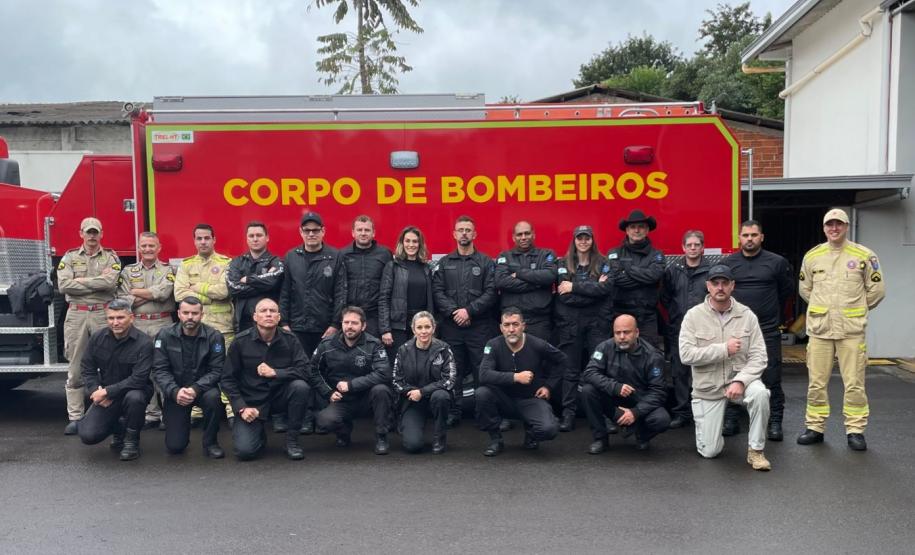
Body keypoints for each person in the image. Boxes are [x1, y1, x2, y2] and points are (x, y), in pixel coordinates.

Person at [796, 208, 885, 451]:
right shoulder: (813, 256)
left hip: (851, 331)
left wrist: (857, 308)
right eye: (829, 225)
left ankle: (855, 430)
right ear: (824, 228)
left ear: (846, 226)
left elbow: (876, 290)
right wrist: (821, 307)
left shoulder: (864, 255)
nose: (834, 228)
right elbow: (805, 289)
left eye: (839, 224)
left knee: (855, 382)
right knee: (816, 382)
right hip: (820, 329)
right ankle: (815, 427)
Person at [679, 265, 771, 471]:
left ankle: (756, 451)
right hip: (708, 388)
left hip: (739, 380)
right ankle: (712, 435)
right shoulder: (693, 316)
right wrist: (723, 349)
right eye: (715, 283)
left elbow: (759, 357)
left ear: (732, 286)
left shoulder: (747, 316)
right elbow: (686, 355)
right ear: (708, 286)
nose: (720, 287)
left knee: (760, 394)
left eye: (725, 283)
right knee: (709, 452)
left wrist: (741, 380)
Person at [723, 220, 794, 441]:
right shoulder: (730, 264)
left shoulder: (777, 262)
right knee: (734, 374)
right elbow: (723, 293)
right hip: (737, 330)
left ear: (761, 237)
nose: (750, 239)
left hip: (767, 330)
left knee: (772, 377)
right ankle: (732, 418)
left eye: (754, 235)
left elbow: (786, 292)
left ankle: (774, 423)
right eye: (745, 235)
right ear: (739, 238)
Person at [280, 211, 347, 432]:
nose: (311, 234)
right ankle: (305, 418)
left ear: (323, 232)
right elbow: (286, 292)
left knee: (325, 371)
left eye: (315, 230)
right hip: (298, 326)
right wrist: (285, 322)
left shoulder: (335, 257)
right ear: (300, 232)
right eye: (306, 230)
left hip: (325, 327)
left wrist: (335, 324)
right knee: (302, 371)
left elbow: (341, 293)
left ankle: (322, 417)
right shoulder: (291, 257)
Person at [220, 298, 311, 461]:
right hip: (252, 403)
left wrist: (276, 372)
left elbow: (305, 370)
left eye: (272, 311)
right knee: (245, 452)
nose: (268, 314)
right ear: (255, 317)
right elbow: (227, 379)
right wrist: (241, 407)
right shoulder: (240, 342)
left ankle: (292, 441)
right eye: (263, 311)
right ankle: (258, 432)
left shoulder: (290, 339)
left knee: (300, 387)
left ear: (278, 317)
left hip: (279, 397)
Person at [431, 215, 497, 427]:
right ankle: (454, 411)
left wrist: (469, 311)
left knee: (481, 370)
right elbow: (437, 292)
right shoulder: (444, 263)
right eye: (460, 230)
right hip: (452, 327)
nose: (464, 233)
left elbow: (491, 292)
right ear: (454, 234)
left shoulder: (486, 262)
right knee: (453, 371)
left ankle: (483, 412)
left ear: (475, 234)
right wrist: (455, 313)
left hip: (479, 326)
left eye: (468, 230)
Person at [58, 216, 121, 435]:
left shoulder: (111, 257)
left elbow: (110, 283)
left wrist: (81, 281)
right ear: (81, 233)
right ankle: (75, 417)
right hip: (77, 315)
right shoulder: (70, 256)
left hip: (103, 314)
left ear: (101, 234)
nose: (92, 236)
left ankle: (109, 413)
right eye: (88, 232)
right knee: (76, 366)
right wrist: (94, 282)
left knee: (110, 363)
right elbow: (64, 285)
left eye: (95, 232)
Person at [474, 307, 566, 456]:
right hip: (503, 400)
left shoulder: (537, 344)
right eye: (507, 325)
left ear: (523, 326)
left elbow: (562, 361)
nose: (511, 329)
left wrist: (549, 386)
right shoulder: (493, 345)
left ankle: (531, 431)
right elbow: (483, 375)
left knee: (549, 430)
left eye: (515, 324)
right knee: (482, 393)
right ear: (501, 328)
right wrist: (515, 377)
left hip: (530, 399)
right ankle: (496, 440)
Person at [308, 306, 394, 455]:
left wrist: (352, 385)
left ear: (363, 325)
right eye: (346, 322)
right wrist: (328, 393)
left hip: (366, 397)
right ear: (341, 324)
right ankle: (343, 433)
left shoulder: (374, 344)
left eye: (354, 323)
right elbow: (313, 371)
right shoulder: (327, 345)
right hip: (341, 400)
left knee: (381, 390)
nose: (349, 326)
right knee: (324, 421)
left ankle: (381, 436)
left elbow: (383, 373)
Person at [77, 298, 153, 461]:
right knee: (88, 436)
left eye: (120, 318)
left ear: (131, 318)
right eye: (111, 318)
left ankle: (131, 442)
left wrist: (107, 392)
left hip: (133, 391)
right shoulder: (98, 337)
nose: (115, 322)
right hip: (106, 393)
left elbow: (138, 379)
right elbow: (87, 367)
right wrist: (95, 390)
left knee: (135, 398)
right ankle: (119, 431)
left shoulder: (144, 343)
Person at [174, 223, 235, 424]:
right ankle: (196, 410)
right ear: (194, 241)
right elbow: (179, 294)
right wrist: (209, 293)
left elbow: (224, 292)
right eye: (199, 238)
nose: (203, 242)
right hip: (195, 327)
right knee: (195, 366)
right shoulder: (187, 264)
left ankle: (229, 408)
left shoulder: (227, 263)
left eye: (207, 238)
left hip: (222, 325)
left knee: (226, 368)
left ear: (214, 239)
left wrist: (197, 287)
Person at [554, 225, 613, 432]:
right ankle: (568, 415)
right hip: (571, 324)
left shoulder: (604, 263)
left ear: (592, 240)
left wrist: (575, 287)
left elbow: (606, 289)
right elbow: (564, 296)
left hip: (597, 325)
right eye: (579, 238)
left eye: (587, 237)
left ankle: (603, 414)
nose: (583, 241)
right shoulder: (562, 264)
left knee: (599, 370)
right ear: (574, 240)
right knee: (570, 371)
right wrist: (593, 289)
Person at [580, 315, 669, 453]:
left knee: (661, 419)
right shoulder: (604, 348)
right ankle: (600, 439)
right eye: (617, 333)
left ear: (637, 332)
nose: (621, 337)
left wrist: (636, 412)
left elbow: (658, 392)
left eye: (626, 332)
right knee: (587, 391)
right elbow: (589, 373)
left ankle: (642, 435)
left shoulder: (652, 356)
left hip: (639, 401)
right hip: (613, 399)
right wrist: (614, 386)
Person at [151, 296, 226, 458]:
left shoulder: (214, 336)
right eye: (186, 313)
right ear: (178, 314)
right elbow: (159, 370)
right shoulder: (164, 335)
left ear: (202, 314)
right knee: (175, 447)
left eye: (194, 313)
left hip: (202, 389)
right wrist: (174, 391)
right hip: (176, 392)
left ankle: (211, 443)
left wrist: (195, 389)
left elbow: (217, 370)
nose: (190, 317)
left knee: (214, 397)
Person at [117, 231, 176, 429]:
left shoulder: (168, 270)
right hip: (138, 324)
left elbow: (164, 293)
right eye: (144, 246)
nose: (148, 249)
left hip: (163, 323)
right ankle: (151, 413)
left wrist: (134, 293)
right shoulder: (128, 271)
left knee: (165, 368)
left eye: (152, 246)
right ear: (139, 248)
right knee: (142, 370)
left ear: (159, 248)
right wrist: (150, 294)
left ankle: (168, 414)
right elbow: (122, 299)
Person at [660, 230, 711, 429]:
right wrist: (674, 314)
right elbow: (664, 297)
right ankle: (682, 413)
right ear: (683, 247)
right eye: (689, 245)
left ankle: (705, 412)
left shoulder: (711, 271)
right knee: (679, 372)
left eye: (696, 245)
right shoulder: (673, 271)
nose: (692, 248)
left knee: (704, 371)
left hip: (705, 330)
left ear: (702, 247)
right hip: (678, 328)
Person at [392, 311, 457, 454]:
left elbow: (449, 379)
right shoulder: (403, 350)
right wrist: (412, 392)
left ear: (433, 328)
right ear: (413, 329)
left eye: (427, 327)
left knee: (441, 396)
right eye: (419, 327)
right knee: (413, 446)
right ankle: (406, 424)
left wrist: (422, 392)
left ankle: (439, 437)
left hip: (435, 398)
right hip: (412, 401)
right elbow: (396, 381)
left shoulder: (444, 349)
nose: (423, 331)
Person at [607, 209, 665, 349]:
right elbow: (616, 279)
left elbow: (654, 276)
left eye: (641, 227)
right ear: (627, 230)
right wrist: (643, 277)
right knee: (619, 356)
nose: (637, 230)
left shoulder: (657, 255)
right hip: (620, 315)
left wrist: (627, 268)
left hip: (647, 316)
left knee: (650, 354)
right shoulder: (614, 253)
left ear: (647, 230)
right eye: (633, 227)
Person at [494, 221, 557, 341]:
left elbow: (549, 276)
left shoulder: (546, 254)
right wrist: (537, 282)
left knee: (541, 359)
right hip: (511, 322)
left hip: (540, 321)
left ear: (533, 235)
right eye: (519, 234)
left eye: (527, 233)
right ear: (513, 237)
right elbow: (501, 281)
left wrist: (519, 273)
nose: (523, 237)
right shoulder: (504, 256)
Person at [379, 226, 434, 360]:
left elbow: (431, 300)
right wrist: (385, 329)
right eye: (407, 241)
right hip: (398, 326)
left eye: (415, 241)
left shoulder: (426, 268)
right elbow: (383, 298)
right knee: (399, 365)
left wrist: (432, 325)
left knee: (421, 363)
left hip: (421, 325)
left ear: (420, 244)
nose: (411, 245)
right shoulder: (392, 266)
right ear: (401, 243)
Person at [226, 220, 285, 334]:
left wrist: (248, 280)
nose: (255, 239)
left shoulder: (275, 261)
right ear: (247, 239)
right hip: (243, 324)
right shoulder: (236, 262)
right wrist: (263, 283)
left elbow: (273, 282)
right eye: (251, 236)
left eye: (259, 235)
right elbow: (233, 288)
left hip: (269, 325)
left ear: (267, 238)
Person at [342, 215, 393, 338]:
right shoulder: (343, 255)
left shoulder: (385, 254)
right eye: (359, 230)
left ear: (373, 233)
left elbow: (389, 289)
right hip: (350, 316)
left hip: (374, 316)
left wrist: (385, 326)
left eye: (367, 230)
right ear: (353, 233)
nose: (363, 233)